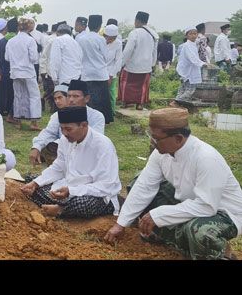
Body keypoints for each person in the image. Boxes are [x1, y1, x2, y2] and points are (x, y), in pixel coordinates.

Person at [104, 108, 242, 260]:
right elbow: (144, 186)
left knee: (199, 231)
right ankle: (177, 239)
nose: (152, 141)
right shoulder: (161, 153)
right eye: (151, 135)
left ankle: (219, 254)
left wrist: (159, 215)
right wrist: (121, 224)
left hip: (222, 213)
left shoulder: (206, 158)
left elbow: (206, 206)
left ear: (178, 138)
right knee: (137, 182)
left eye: (156, 138)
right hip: (188, 203)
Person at [21, 106, 121, 218]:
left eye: (68, 129)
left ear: (84, 125)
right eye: (62, 129)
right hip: (68, 188)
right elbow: (59, 168)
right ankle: (63, 208)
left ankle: (60, 209)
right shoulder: (65, 140)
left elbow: (105, 186)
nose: (64, 133)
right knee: (31, 180)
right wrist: (36, 183)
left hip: (97, 195)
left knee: (82, 204)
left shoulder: (103, 145)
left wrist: (71, 191)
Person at [29, 81, 106, 166]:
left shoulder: (96, 116)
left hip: (86, 157)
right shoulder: (58, 115)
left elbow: (93, 141)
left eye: (76, 96)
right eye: (69, 96)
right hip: (62, 154)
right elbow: (49, 132)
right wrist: (36, 147)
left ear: (86, 98)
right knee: (46, 146)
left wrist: (63, 144)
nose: (71, 100)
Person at [75, 14, 113, 124]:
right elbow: (106, 56)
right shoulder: (101, 39)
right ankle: (102, 119)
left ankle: (87, 118)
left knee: (88, 98)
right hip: (99, 72)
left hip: (85, 72)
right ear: (99, 26)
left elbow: (78, 55)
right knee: (101, 98)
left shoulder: (80, 38)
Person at [5, 17, 41, 130]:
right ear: (29, 28)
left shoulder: (11, 41)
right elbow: (34, 58)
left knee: (18, 96)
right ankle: (33, 122)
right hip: (28, 72)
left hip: (15, 72)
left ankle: (18, 121)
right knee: (34, 96)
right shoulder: (30, 40)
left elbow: (7, 58)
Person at [119, 11, 157, 110]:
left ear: (137, 20)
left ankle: (126, 103)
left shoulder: (134, 32)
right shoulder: (153, 35)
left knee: (126, 84)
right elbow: (154, 51)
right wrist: (153, 63)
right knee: (142, 86)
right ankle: (140, 104)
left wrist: (122, 63)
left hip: (132, 64)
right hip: (146, 66)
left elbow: (128, 50)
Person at [173, 27, 208, 105]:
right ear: (186, 35)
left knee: (183, 89)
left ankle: (177, 104)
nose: (193, 35)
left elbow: (195, 57)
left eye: (195, 33)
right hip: (188, 71)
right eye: (191, 34)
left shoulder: (193, 44)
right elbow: (192, 57)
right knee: (190, 90)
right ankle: (176, 102)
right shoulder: (187, 45)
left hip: (190, 70)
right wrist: (203, 63)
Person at [0, 18, 18, 122]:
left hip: (4, 70)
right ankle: (12, 113)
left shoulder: (2, 41)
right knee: (14, 93)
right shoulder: (17, 40)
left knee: (5, 92)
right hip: (15, 71)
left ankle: (5, 111)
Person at [48, 23, 82, 88]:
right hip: (77, 77)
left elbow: (55, 61)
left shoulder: (58, 40)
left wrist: (54, 78)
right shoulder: (75, 42)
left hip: (64, 78)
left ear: (57, 32)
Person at [103, 24, 123, 114]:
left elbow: (118, 60)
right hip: (100, 71)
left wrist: (111, 76)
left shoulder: (118, 43)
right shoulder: (100, 41)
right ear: (105, 36)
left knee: (111, 93)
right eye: (109, 38)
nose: (110, 40)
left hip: (112, 71)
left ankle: (111, 112)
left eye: (113, 38)